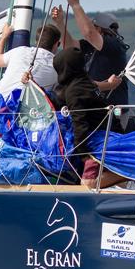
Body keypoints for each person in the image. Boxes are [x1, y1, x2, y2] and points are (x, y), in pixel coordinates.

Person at [52, 47, 124, 189]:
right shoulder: (84, 82)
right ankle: (121, 177)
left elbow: (80, 123)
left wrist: (82, 152)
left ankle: (126, 174)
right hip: (111, 136)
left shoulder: (75, 90)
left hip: (99, 142)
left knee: (87, 184)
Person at [52, 0, 129, 108]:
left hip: (112, 111)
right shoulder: (91, 46)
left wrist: (75, 5)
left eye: (95, 27)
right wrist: (60, 23)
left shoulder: (114, 45)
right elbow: (69, 46)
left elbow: (89, 33)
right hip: (94, 107)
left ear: (100, 29)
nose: (93, 30)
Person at [0, 22, 61, 106]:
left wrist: (4, 36)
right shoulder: (58, 67)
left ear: (37, 41)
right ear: (56, 44)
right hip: (28, 113)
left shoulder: (20, 51)